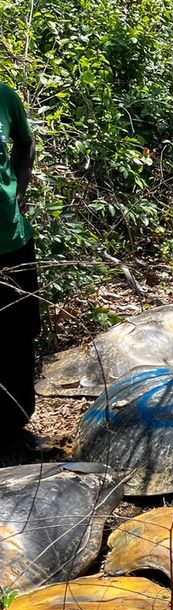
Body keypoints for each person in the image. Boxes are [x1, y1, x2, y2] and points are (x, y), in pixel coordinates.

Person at [0, 81, 37, 446]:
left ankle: (15, 425)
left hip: (12, 240)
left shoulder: (5, 97)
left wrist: (19, 191)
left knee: (18, 335)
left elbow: (25, 143)